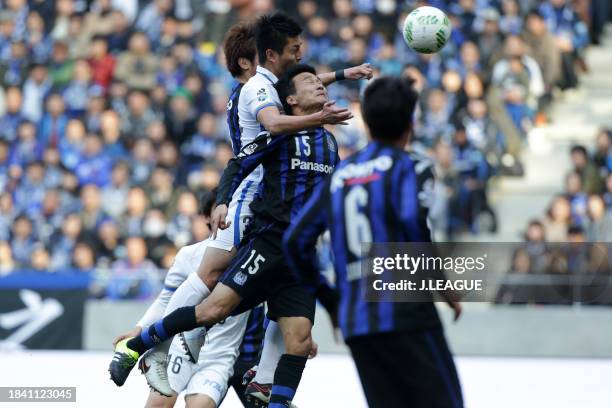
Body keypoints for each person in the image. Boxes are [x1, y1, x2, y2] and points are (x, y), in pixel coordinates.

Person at [109, 12, 371, 404]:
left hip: (295, 246)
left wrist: (342, 75)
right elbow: (278, 117)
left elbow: (307, 83)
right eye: (291, 52)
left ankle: (265, 384)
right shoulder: (262, 96)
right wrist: (222, 199)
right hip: (254, 201)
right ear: (257, 60)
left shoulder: (323, 137)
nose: (297, 57)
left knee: (291, 331)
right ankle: (146, 343)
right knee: (211, 276)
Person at [283, 76, 463, 408]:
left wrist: (332, 301)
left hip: (358, 323)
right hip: (405, 313)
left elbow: (295, 241)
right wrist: (443, 286)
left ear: (366, 122)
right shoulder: (405, 166)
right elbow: (413, 226)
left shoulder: (340, 175)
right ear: (410, 123)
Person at [112, 190, 266, 408]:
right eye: (221, 209)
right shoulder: (189, 255)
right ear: (207, 218)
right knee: (158, 404)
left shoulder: (255, 257)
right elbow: (166, 300)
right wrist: (139, 329)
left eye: (234, 209)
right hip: (181, 348)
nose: (229, 217)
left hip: (218, 358)